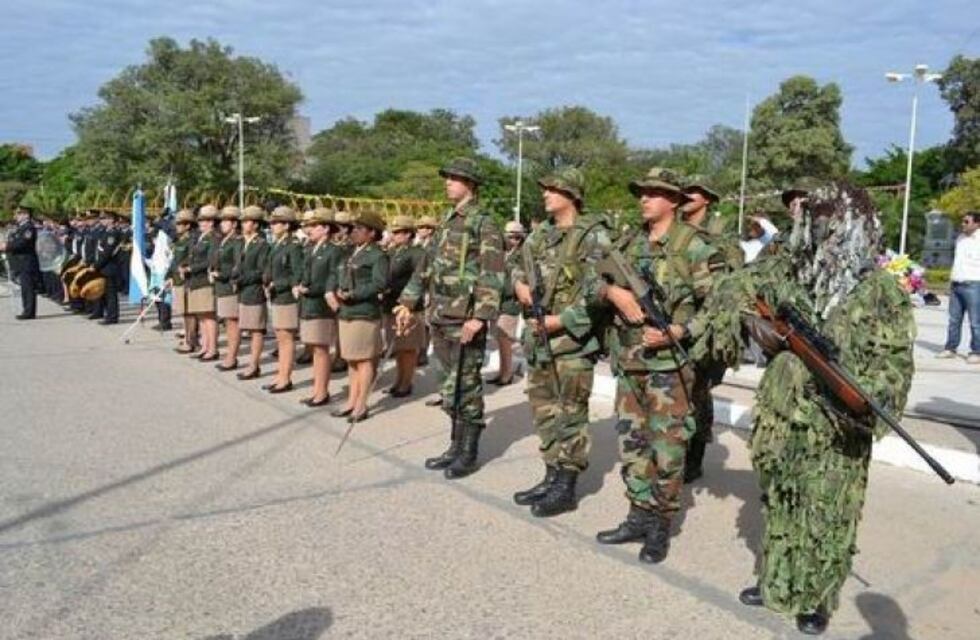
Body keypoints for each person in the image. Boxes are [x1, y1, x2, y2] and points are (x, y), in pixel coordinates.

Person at [691, 182, 916, 636]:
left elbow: (895, 366)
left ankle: (816, 597)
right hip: (782, 414)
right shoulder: (790, 273)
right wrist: (753, 323)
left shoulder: (880, 291)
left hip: (838, 424)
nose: (817, 226)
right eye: (813, 217)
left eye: (828, 218)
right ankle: (777, 582)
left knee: (827, 511)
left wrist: (863, 401)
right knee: (781, 500)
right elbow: (735, 287)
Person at [593, 168, 717, 563]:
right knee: (632, 444)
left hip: (670, 368)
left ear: (674, 201)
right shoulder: (628, 243)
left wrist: (679, 330)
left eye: (653, 193)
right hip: (630, 361)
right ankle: (637, 515)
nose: (644, 199)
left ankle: (660, 524)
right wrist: (614, 293)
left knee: (667, 450)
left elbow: (719, 307)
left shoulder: (695, 247)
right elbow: (589, 282)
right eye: (642, 193)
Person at [394, 157, 505, 478]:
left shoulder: (483, 222)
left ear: (470, 184)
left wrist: (480, 316)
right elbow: (426, 265)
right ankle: (455, 446)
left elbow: (493, 271)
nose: (448, 182)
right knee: (446, 385)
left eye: (454, 178)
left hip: (464, 317)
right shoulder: (447, 220)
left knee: (466, 385)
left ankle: (468, 453)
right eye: (448, 177)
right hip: (440, 314)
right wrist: (408, 302)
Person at [511, 167, 610, 517]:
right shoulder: (541, 235)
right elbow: (517, 266)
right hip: (539, 340)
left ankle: (566, 485)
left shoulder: (593, 236)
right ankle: (551, 475)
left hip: (571, 342)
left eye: (552, 189)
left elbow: (600, 291)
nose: (545, 194)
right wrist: (520, 286)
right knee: (544, 412)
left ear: (572, 195)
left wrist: (561, 320)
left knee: (570, 415)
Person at [680, 178, 743, 483]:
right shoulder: (673, 231)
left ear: (707, 198)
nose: (687, 196)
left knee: (698, 393)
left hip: (704, 329)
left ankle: (694, 455)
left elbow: (731, 283)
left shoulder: (722, 236)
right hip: (675, 323)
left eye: (693, 192)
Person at [332, 210, 389, 421]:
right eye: (354, 228)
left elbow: (379, 284)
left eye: (359, 228)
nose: (353, 232)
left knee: (364, 360)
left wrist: (353, 294)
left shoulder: (378, 255)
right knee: (351, 360)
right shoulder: (352, 251)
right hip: (347, 311)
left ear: (372, 233)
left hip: (364, 312)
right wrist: (338, 291)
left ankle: (361, 405)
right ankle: (351, 401)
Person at [295, 208, 343, 406]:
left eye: (314, 226)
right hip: (309, 303)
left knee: (321, 350)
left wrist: (310, 289)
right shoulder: (311, 248)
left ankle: (322, 392)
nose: (310, 229)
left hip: (322, 305)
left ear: (326, 228)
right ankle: (317, 390)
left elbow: (333, 278)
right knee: (315, 349)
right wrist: (299, 284)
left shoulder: (334, 250)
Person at [381, 215, 425, 397]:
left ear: (408, 234)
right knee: (398, 346)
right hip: (392, 304)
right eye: (394, 232)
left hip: (408, 306)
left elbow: (419, 278)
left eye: (399, 232)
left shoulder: (416, 253)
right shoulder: (392, 252)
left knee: (407, 347)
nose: (395, 235)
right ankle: (399, 380)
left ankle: (406, 383)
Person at [262, 206, 304, 393]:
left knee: (286, 339)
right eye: (272, 223)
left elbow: (297, 274)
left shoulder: (293, 246)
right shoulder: (277, 244)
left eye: (276, 222)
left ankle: (285, 378)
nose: (272, 226)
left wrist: (277, 284)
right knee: (280, 338)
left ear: (287, 225)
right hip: (277, 296)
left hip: (286, 297)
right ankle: (280, 375)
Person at [937, 211, 980, 363]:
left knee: (975, 321)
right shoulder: (960, 238)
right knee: (954, 320)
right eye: (962, 221)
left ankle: (976, 351)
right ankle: (950, 348)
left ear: (977, 223)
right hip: (956, 284)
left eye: (967, 222)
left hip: (974, 285)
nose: (963, 224)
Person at [233, 205, 270, 380]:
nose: (243, 224)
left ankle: (254, 365)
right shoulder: (241, 242)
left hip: (254, 290)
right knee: (248, 327)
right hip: (243, 290)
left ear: (256, 224)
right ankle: (251, 364)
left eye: (247, 221)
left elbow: (261, 271)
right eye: (243, 221)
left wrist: (241, 279)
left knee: (256, 329)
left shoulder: (261, 244)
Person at [488, 220, 526, 386]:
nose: (514, 240)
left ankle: (507, 374)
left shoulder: (521, 256)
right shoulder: (501, 253)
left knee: (505, 340)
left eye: (517, 237)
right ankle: (502, 372)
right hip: (497, 301)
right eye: (511, 236)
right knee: (499, 339)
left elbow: (519, 281)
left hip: (510, 302)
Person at [185, 205, 219, 360]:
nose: (201, 223)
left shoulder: (213, 238)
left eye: (205, 220)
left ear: (212, 222)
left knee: (209, 316)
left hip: (205, 280)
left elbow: (210, 261)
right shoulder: (201, 237)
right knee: (201, 317)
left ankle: (212, 349)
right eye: (200, 220)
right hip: (196, 281)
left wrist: (191, 268)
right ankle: (205, 346)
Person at [213, 205, 244, 370]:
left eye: (226, 221)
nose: (222, 224)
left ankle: (232, 357)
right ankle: (230, 355)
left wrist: (223, 274)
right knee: (227, 321)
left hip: (229, 286)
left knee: (232, 323)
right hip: (221, 286)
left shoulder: (237, 241)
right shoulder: (223, 240)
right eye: (222, 221)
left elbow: (237, 265)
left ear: (234, 224)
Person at [0, 203, 41, 319]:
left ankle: (29, 312)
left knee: (28, 287)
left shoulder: (29, 228)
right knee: (25, 287)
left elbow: (23, 243)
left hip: (27, 260)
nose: (16, 216)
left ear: (26, 215)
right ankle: (26, 310)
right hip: (21, 261)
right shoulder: (21, 227)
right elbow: (15, 240)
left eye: (19, 214)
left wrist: (7, 246)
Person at [168, 209, 198, 353]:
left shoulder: (192, 240)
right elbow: (174, 260)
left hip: (186, 279)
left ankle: (190, 341)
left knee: (189, 312)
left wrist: (184, 268)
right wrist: (168, 276)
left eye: (180, 224)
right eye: (177, 223)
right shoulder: (180, 240)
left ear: (188, 225)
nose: (177, 226)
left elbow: (191, 259)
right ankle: (188, 337)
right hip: (178, 279)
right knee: (184, 312)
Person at [92, 209, 125, 325]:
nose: (102, 220)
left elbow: (107, 253)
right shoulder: (106, 232)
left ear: (111, 220)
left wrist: (96, 265)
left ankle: (112, 317)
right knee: (106, 293)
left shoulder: (113, 234)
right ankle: (108, 314)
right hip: (104, 267)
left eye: (104, 218)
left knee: (111, 294)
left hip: (110, 267)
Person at [414, 214, 439, 367]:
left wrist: (429, 292)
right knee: (420, 321)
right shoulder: (419, 246)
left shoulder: (434, 247)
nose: (419, 230)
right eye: (419, 227)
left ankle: (423, 352)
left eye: (423, 227)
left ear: (430, 230)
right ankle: (420, 350)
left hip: (431, 288)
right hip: (420, 287)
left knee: (427, 322)